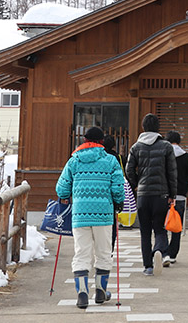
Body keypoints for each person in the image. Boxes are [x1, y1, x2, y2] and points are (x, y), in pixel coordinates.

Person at [56, 126, 125, 309]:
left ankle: (82, 294)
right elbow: (118, 187)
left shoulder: (74, 161)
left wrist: (69, 195)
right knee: (103, 252)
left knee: (81, 253)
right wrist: (118, 203)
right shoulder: (110, 161)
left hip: (80, 214)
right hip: (103, 214)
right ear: (101, 141)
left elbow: (61, 189)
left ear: (84, 140)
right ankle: (101, 292)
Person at [126, 113, 177, 275]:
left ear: (143, 127)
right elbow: (172, 173)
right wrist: (172, 194)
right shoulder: (166, 146)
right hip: (161, 195)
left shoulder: (136, 147)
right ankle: (159, 250)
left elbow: (129, 170)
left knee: (145, 232)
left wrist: (136, 185)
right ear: (157, 128)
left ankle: (148, 266)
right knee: (160, 229)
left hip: (143, 195)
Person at [163, 130, 188, 265]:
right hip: (180, 195)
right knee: (177, 226)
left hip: (163, 195)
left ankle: (163, 252)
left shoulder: (163, 155)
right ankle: (173, 254)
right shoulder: (186, 156)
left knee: (162, 225)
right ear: (179, 141)